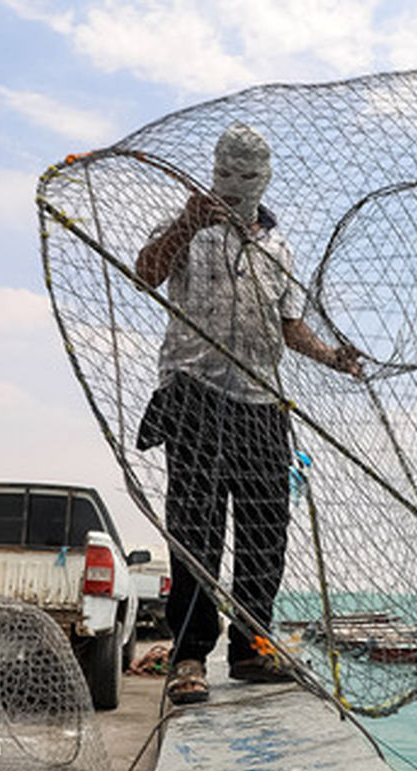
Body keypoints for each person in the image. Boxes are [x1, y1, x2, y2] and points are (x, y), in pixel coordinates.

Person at [135, 122, 359, 705]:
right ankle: (188, 656)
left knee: (265, 531)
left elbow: (290, 328)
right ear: (213, 172)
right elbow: (145, 272)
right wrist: (189, 222)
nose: (234, 185)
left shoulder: (278, 249)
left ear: (265, 181)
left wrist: (334, 357)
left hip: (261, 402)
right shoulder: (185, 228)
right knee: (195, 530)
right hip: (194, 394)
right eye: (225, 173)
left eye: (246, 176)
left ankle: (251, 647)